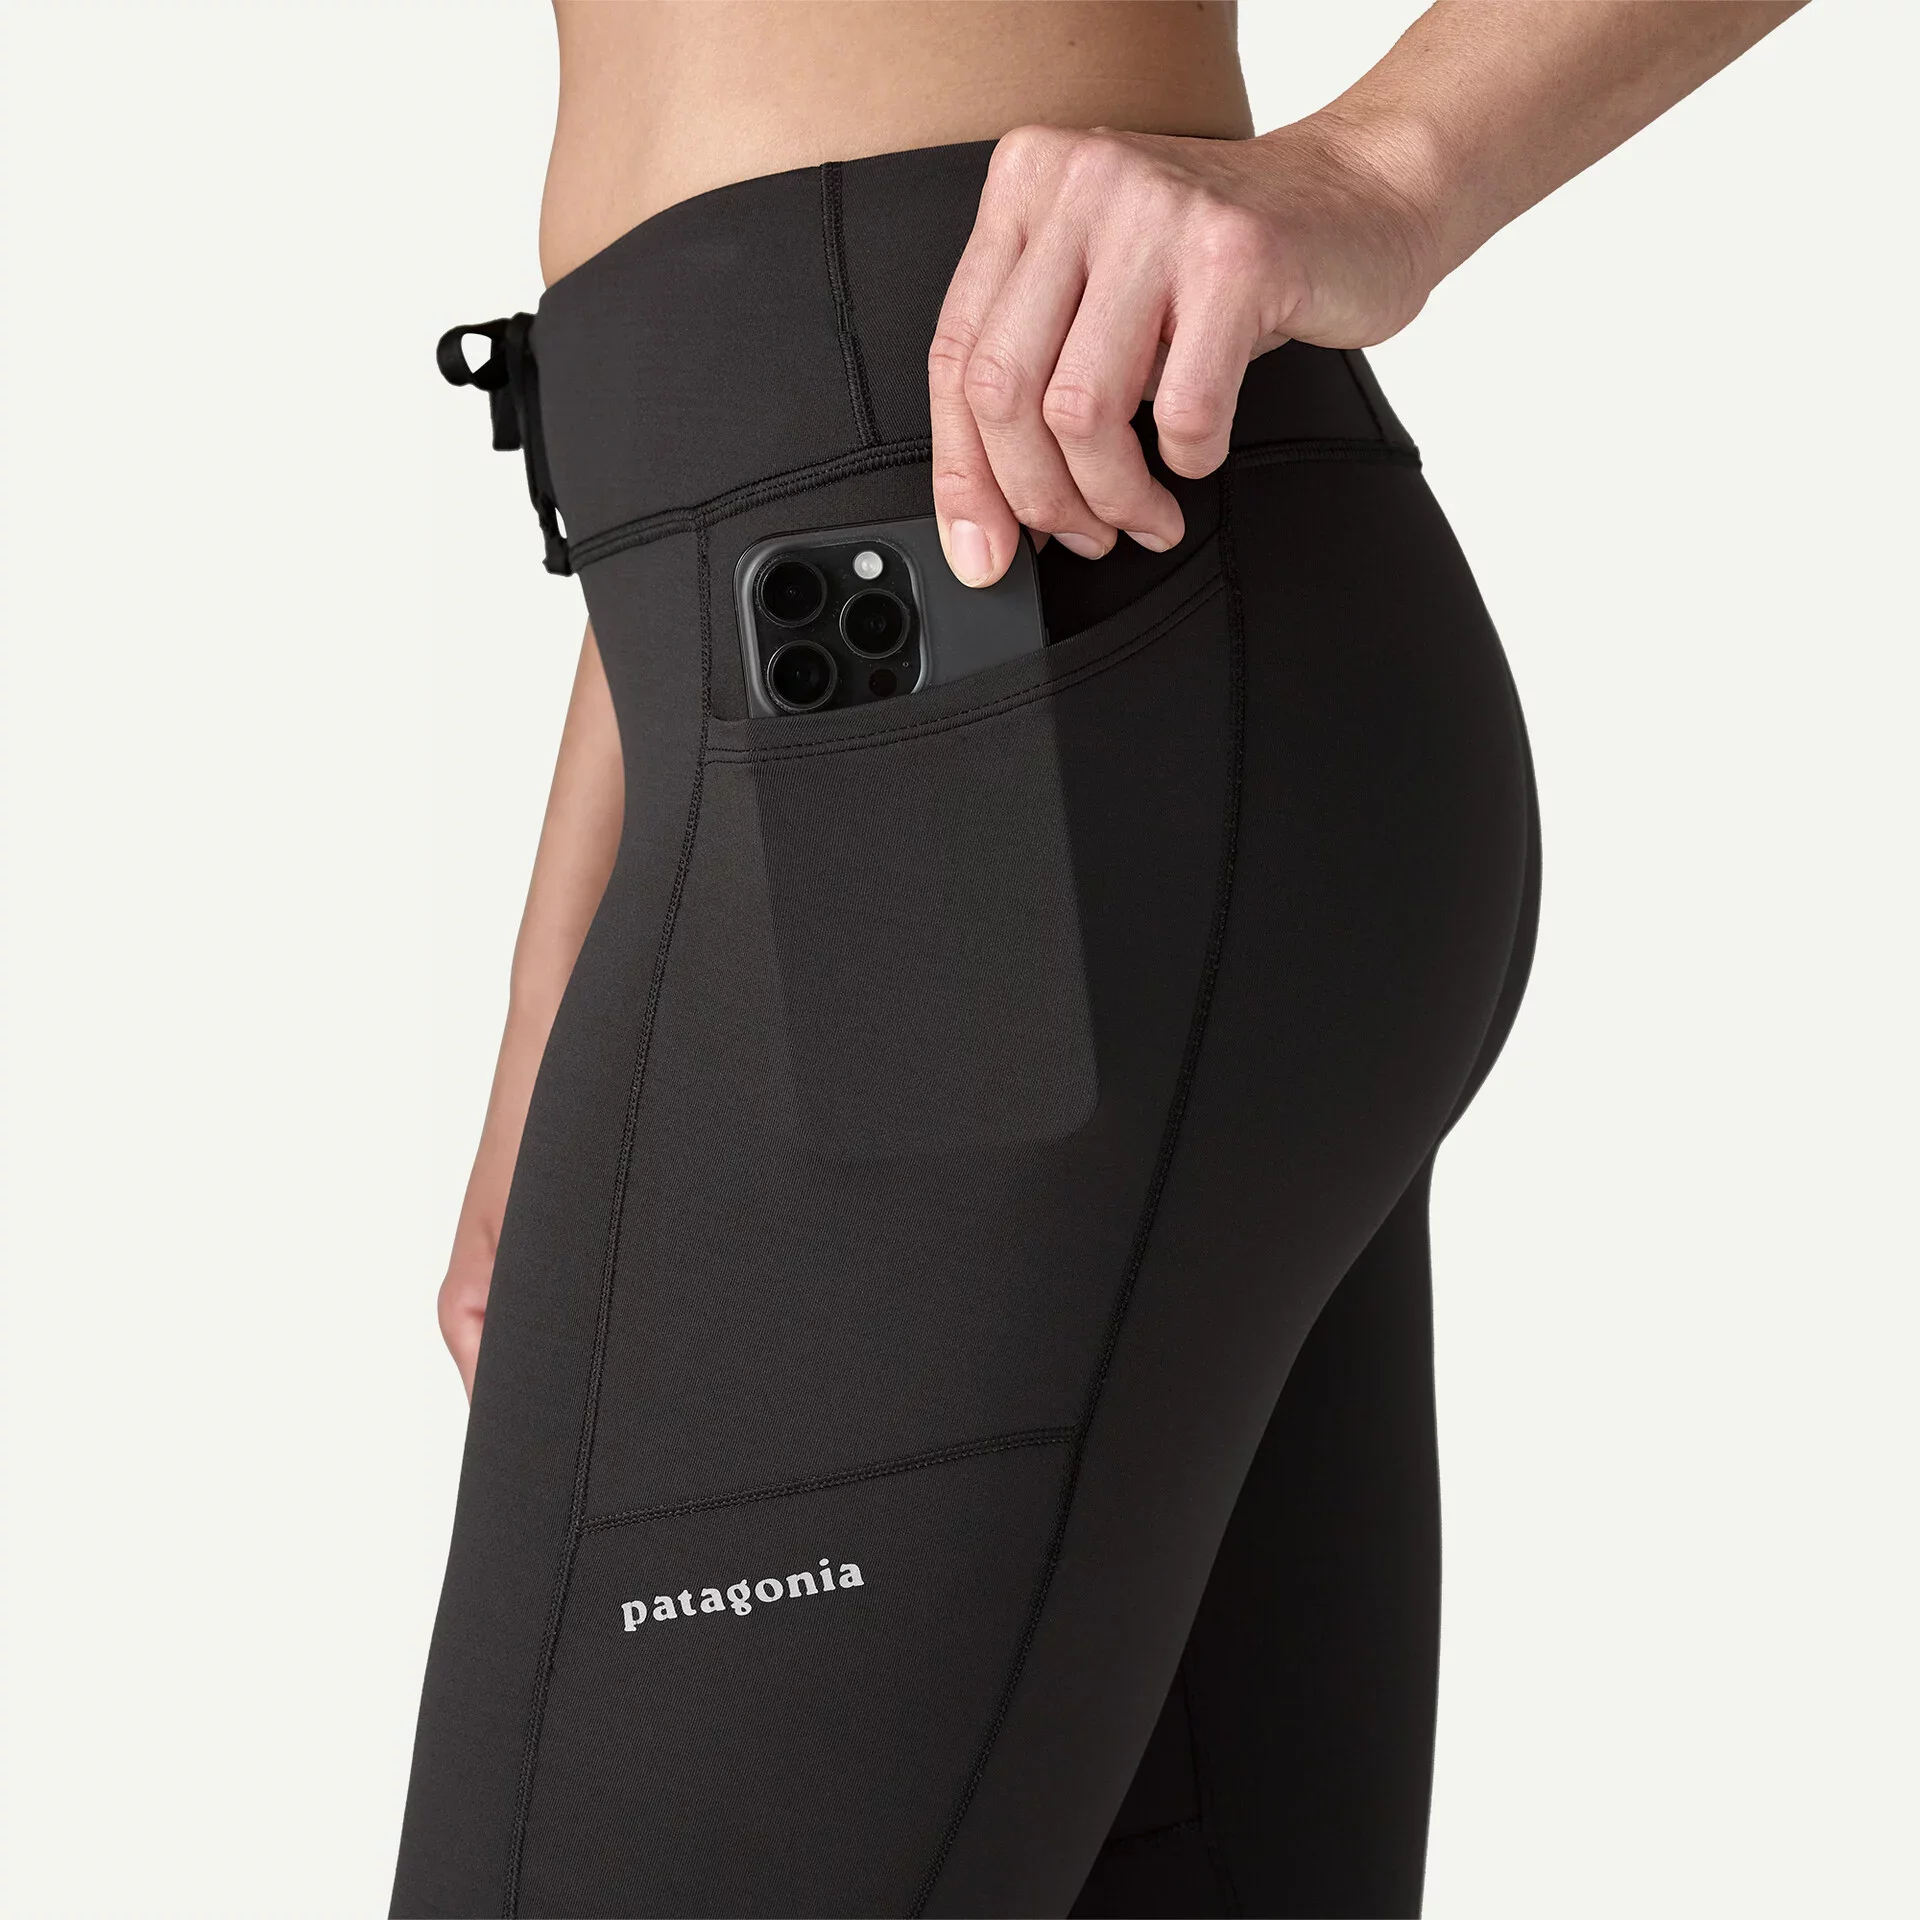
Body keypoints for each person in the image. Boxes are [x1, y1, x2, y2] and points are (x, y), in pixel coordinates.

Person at [393, 6, 1804, 1915]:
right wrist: (562, 989)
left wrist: (1385, 168)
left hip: (980, 730)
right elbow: (769, 409)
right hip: (923, 692)